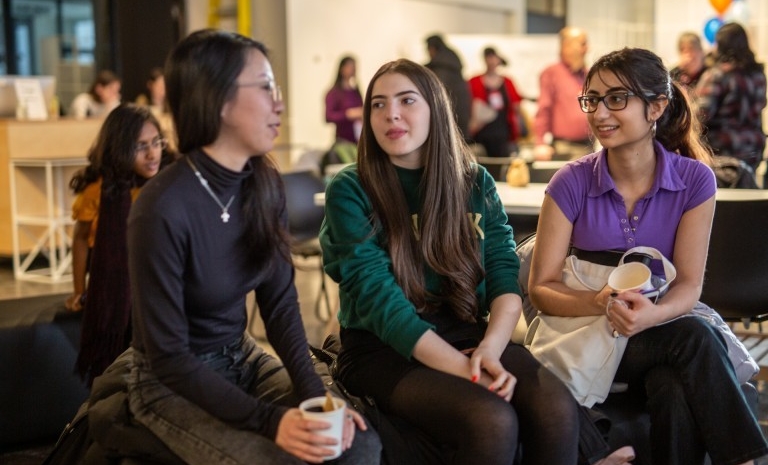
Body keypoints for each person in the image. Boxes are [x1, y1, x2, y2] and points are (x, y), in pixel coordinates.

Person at [320, 58, 633, 465]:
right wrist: (466, 370)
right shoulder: (351, 188)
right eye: (378, 104)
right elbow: (381, 304)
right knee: (491, 418)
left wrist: (489, 349)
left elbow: (505, 275)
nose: (391, 113)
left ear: (435, 108)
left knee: (554, 407)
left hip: (466, 333)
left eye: (406, 100)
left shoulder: (473, 181)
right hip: (381, 351)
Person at [119, 29, 379, 465]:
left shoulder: (263, 185)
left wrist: (320, 401)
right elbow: (168, 358)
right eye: (265, 88)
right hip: (169, 383)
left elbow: (279, 307)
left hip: (242, 357)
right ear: (217, 100)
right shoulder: (161, 207)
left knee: (359, 446)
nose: (279, 102)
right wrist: (271, 421)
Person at [528, 47, 768, 464]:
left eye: (617, 99)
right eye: (592, 99)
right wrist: (598, 303)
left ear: (657, 106)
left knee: (673, 384)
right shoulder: (571, 181)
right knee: (693, 336)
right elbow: (540, 288)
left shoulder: (695, 181)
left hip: (660, 332)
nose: (600, 113)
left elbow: (689, 284)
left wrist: (650, 316)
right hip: (582, 339)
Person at [67, 104, 166, 385]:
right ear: (121, 148)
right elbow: (80, 240)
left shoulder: (169, 182)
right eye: (140, 146)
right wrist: (79, 291)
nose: (152, 154)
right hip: (119, 293)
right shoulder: (100, 189)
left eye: (156, 143)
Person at [695, 22, 766, 176]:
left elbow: (699, 116)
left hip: (722, 153)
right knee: (747, 198)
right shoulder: (758, 75)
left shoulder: (717, 75)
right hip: (753, 150)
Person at [533, 27, 593, 161]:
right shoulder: (551, 73)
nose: (587, 49)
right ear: (566, 46)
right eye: (582, 44)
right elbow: (544, 108)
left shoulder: (589, 74)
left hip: (588, 146)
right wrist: (540, 142)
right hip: (565, 148)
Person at [468, 46, 525, 180]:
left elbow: (516, 106)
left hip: (504, 135)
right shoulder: (474, 82)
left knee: (504, 172)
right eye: (489, 58)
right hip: (480, 135)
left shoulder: (507, 82)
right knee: (480, 172)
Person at [425, 34, 471, 141]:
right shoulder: (452, 63)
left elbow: (437, 94)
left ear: (432, 48)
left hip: (447, 119)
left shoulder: (441, 69)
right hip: (460, 118)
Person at [325, 55, 364, 144]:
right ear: (342, 69)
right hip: (343, 140)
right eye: (350, 66)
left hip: (358, 138)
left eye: (354, 67)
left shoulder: (356, 91)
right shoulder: (334, 93)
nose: (353, 69)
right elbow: (328, 116)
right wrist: (348, 114)